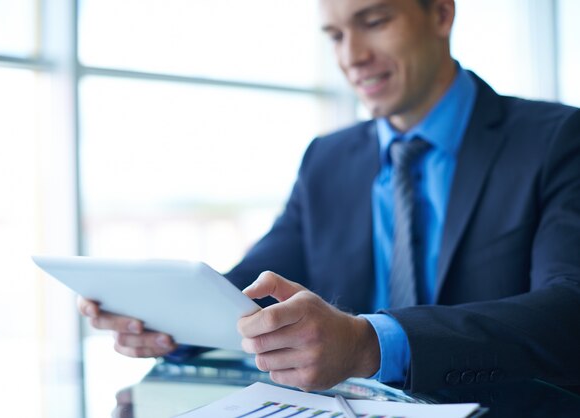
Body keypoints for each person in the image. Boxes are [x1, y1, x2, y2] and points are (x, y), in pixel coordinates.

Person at [79, 0, 580, 393]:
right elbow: (252, 288)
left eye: (375, 21)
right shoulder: (328, 159)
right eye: (336, 35)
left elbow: (567, 312)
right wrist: (165, 319)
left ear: (442, 13)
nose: (351, 56)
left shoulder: (556, 138)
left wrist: (371, 344)